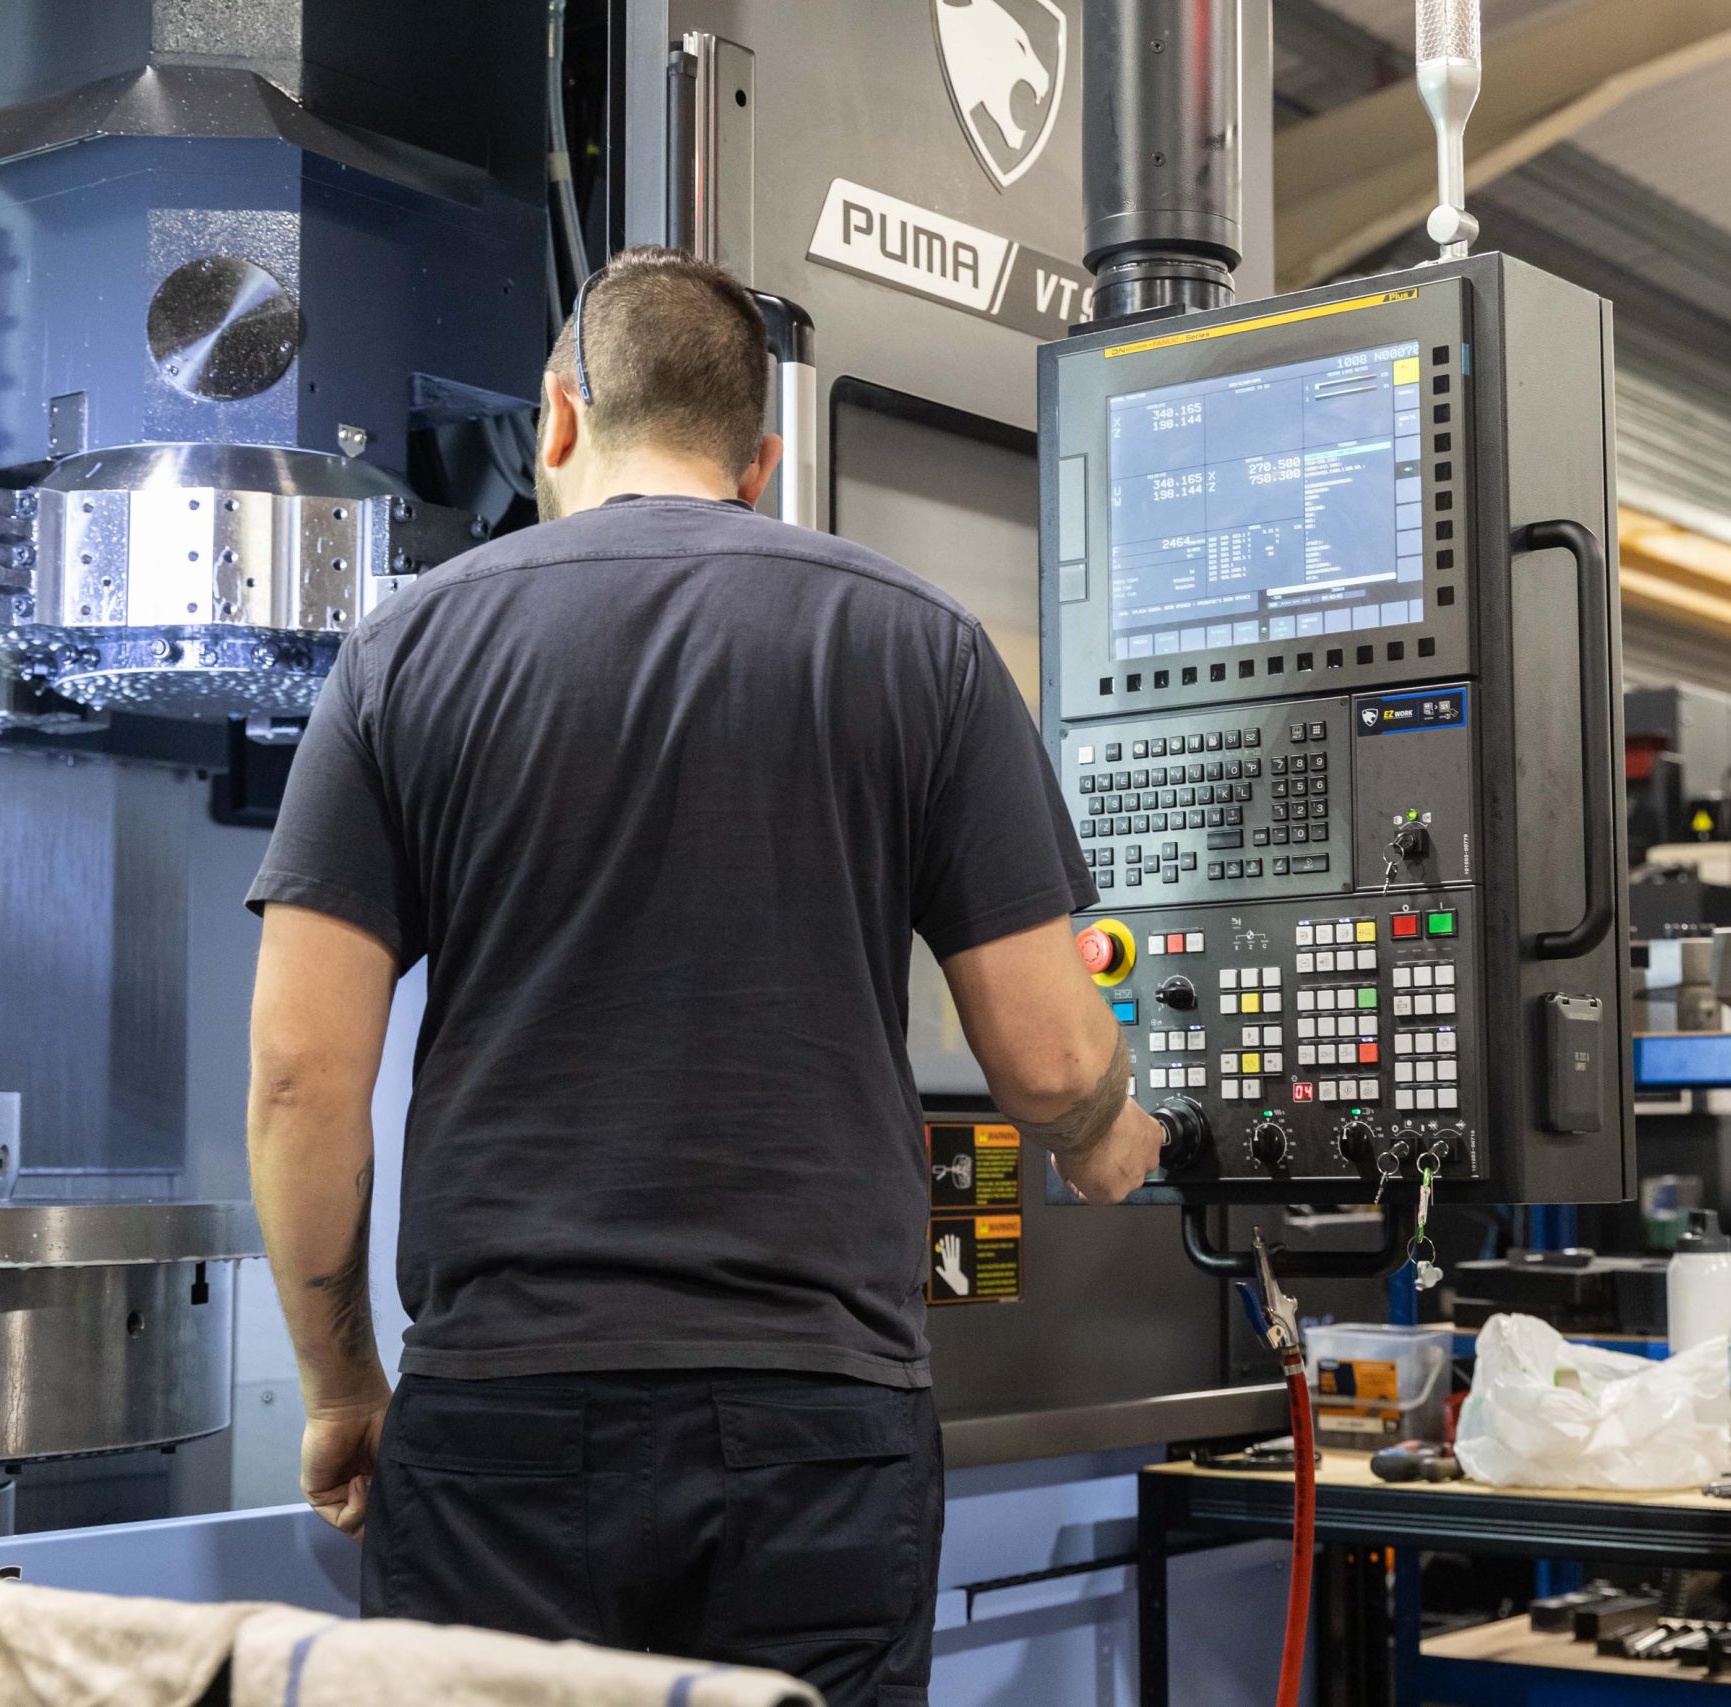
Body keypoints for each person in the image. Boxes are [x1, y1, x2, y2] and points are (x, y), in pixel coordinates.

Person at [242, 245, 1163, 1706]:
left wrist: (343, 1383)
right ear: (765, 459)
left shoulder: (400, 655)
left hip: (499, 1421)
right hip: (813, 1429)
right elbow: (1051, 1063)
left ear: (556, 421)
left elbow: (302, 1078)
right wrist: (1119, 1144)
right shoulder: (921, 645)